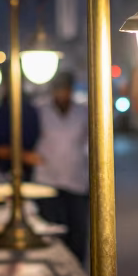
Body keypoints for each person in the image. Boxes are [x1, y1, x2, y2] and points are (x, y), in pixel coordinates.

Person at [34, 72, 89, 264]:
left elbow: (90, 143)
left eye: (66, 89)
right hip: (48, 179)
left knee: (78, 232)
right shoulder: (40, 110)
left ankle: (76, 272)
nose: (62, 94)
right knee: (53, 232)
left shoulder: (83, 111)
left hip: (76, 179)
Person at [0, 84, 40, 181]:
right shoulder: (0, 114)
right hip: (3, 172)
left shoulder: (31, 112)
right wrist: (24, 156)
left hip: (29, 174)